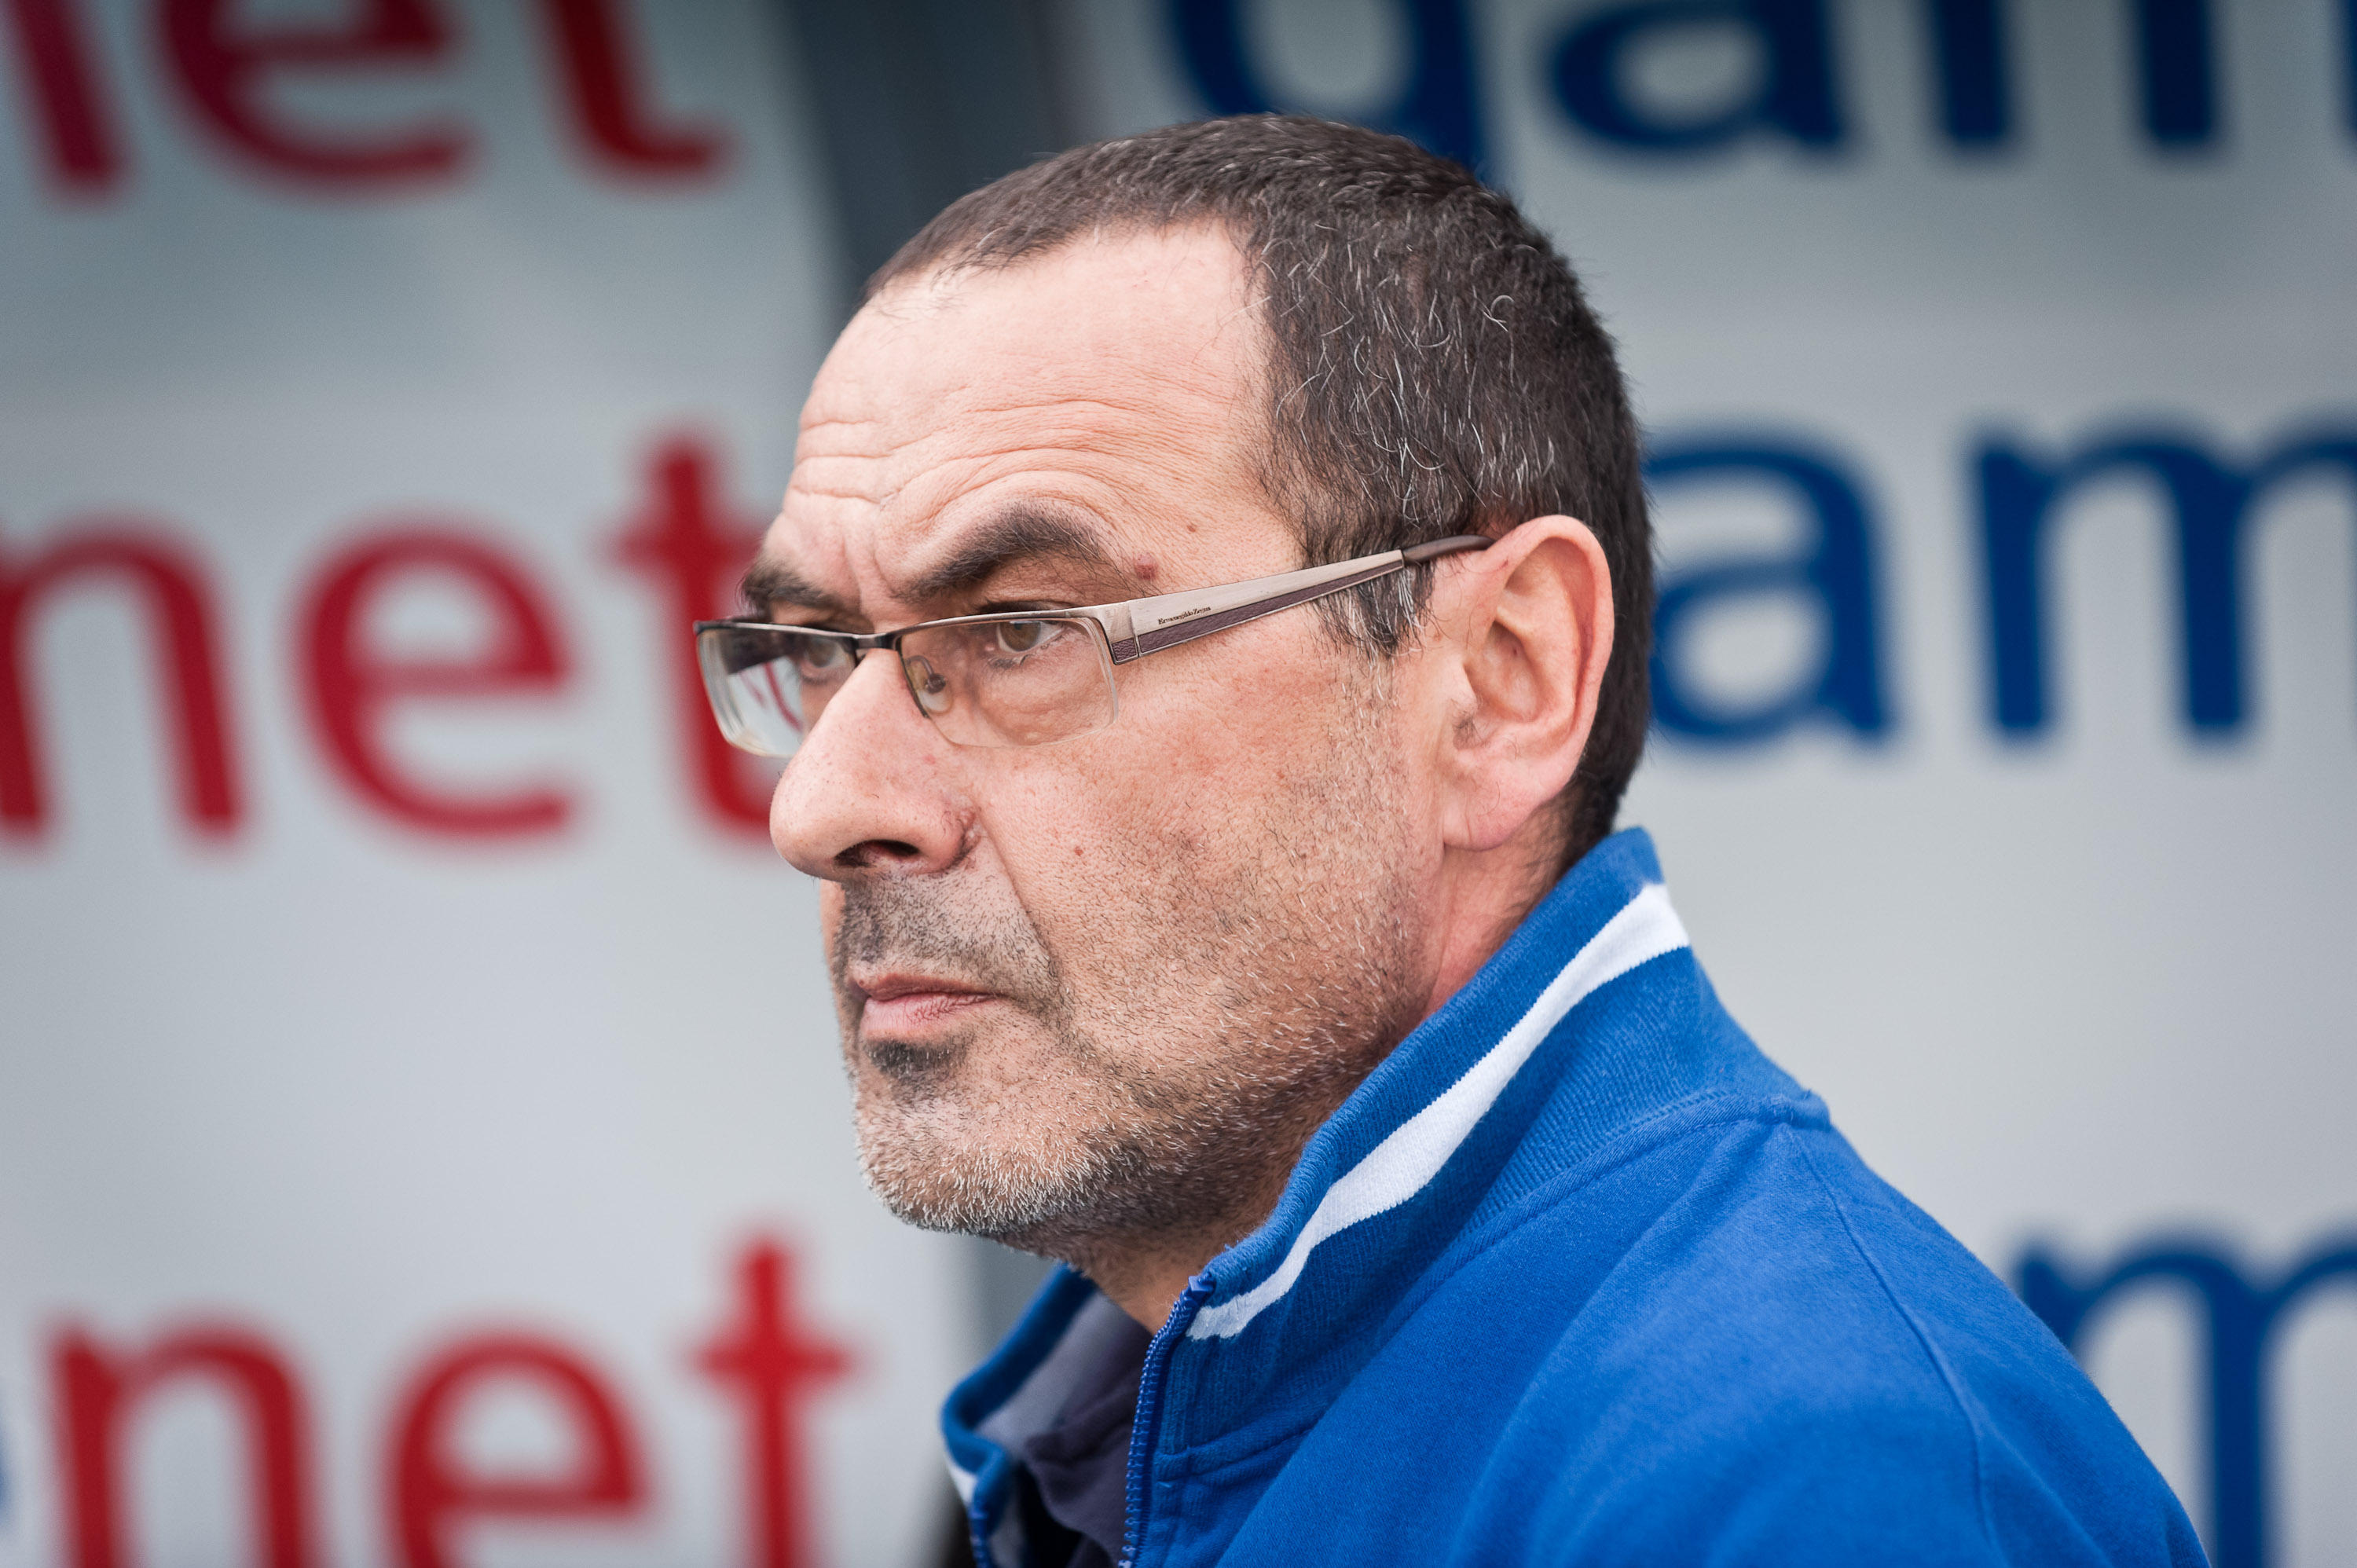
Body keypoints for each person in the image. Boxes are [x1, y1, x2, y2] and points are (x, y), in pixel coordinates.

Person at [692, 115, 2202, 1567]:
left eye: (1022, 631)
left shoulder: (1804, 1482)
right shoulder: (1115, 1417)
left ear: (1501, 679)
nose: (819, 809)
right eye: (818, 649)